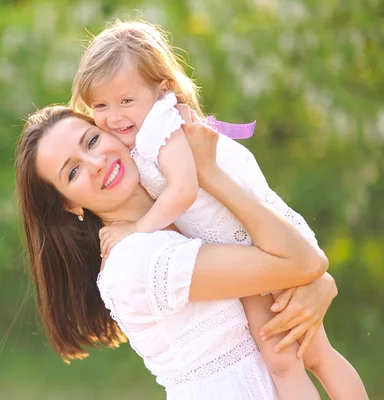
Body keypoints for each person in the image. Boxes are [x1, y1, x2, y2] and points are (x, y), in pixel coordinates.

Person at [69, 20, 367, 400]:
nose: (113, 116)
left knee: (290, 359)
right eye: (100, 105)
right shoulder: (136, 134)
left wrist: (136, 230)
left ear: (162, 89)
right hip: (246, 243)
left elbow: (182, 191)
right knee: (307, 355)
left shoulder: (163, 128)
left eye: (126, 101)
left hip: (253, 241)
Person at [15, 103, 337, 399]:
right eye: (72, 172)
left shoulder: (187, 215)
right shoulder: (134, 263)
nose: (96, 163)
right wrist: (208, 174)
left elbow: (293, 266)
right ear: (69, 205)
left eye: (92, 141)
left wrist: (316, 283)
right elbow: (302, 261)